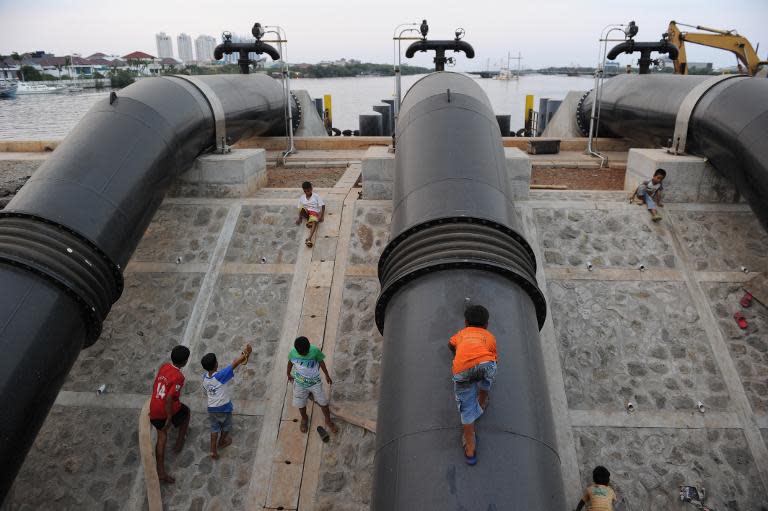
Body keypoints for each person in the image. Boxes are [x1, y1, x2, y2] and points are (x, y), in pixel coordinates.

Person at [448, 305, 498, 465]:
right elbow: (494, 356)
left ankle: (470, 447)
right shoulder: (490, 336)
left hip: (463, 371)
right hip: (486, 364)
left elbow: (450, 344)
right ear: (487, 324)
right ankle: (482, 400)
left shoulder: (461, 334)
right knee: (487, 376)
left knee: (466, 408)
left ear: (465, 322)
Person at [200, 344, 252, 459]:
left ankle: (213, 450)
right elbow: (235, 364)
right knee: (226, 426)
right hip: (224, 408)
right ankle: (222, 442)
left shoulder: (204, 377)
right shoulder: (220, 376)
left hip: (211, 408)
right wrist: (246, 353)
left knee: (214, 428)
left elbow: (205, 390)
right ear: (216, 364)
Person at [148, 345, 191, 483]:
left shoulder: (164, 367)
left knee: (162, 437)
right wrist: (169, 416)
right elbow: (169, 398)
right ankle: (180, 441)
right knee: (186, 413)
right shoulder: (179, 376)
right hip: (165, 410)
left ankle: (161, 471)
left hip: (154, 408)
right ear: (185, 362)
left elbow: (157, 385)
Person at [286, 336, 338, 435]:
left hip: (315, 383)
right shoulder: (293, 353)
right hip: (300, 383)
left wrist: (327, 375)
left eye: (305, 352)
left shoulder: (314, 351)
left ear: (309, 347)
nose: (304, 354)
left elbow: (321, 363)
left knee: (323, 402)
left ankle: (328, 420)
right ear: (296, 350)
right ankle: (304, 418)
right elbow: (290, 363)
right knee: (300, 403)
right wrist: (288, 373)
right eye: (301, 353)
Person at [295, 181, 325, 248]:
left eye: (308, 190)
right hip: (306, 212)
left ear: (311, 189)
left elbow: (323, 205)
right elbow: (300, 207)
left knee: (314, 220)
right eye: (306, 191)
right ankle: (309, 221)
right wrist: (299, 218)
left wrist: (322, 215)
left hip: (314, 212)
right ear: (304, 191)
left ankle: (309, 238)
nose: (307, 192)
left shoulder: (316, 196)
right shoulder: (302, 197)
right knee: (300, 208)